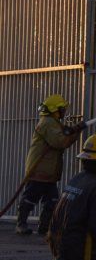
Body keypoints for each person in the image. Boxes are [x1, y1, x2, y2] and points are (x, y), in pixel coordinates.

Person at [16, 94, 86, 235]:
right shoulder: (47, 123)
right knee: (30, 198)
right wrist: (75, 130)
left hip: (48, 171)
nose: (64, 111)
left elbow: (64, 138)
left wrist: (75, 130)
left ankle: (45, 227)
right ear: (56, 110)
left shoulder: (53, 123)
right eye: (62, 109)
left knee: (52, 201)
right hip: (40, 169)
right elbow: (59, 142)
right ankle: (21, 224)